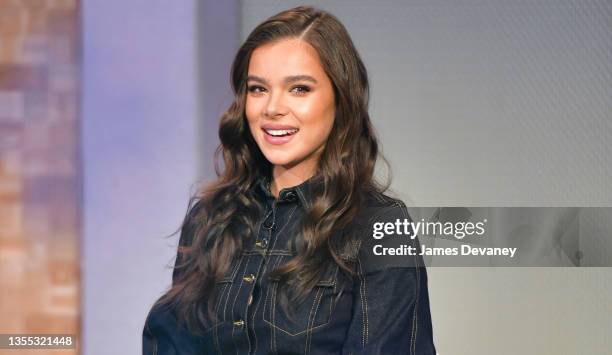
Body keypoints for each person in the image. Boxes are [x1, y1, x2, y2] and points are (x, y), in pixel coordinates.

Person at [143, 5, 436, 354]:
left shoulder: (380, 225)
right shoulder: (210, 218)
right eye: (257, 89)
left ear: (340, 99)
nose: (272, 108)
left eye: (299, 89)